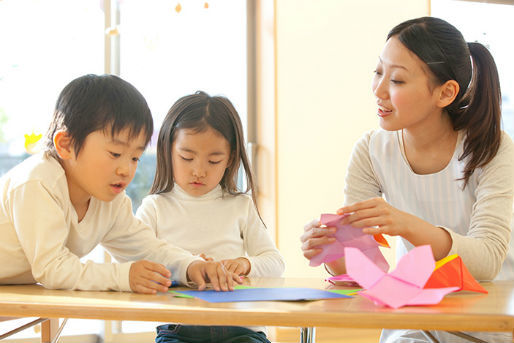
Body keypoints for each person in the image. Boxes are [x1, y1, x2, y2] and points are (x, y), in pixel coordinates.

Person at [300, 16, 514, 343]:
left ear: (446, 93)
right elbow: (366, 272)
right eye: (378, 72)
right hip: (413, 327)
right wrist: (332, 251)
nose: (379, 89)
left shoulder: (492, 148)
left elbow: (487, 260)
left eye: (397, 80)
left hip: (487, 324)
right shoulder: (371, 150)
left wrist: (406, 224)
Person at [0, 74, 241, 293]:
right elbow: (53, 269)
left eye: (135, 157)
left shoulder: (108, 199)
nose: (126, 169)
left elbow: (148, 247)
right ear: (66, 145)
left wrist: (191, 265)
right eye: (115, 153)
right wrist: (124, 276)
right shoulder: (37, 183)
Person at [136, 91, 285, 343]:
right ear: (167, 149)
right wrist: (186, 267)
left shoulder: (240, 205)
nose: (199, 170)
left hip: (242, 330)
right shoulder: (154, 208)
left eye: (214, 160)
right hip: (179, 330)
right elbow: (137, 267)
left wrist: (245, 264)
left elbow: (275, 263)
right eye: (186, 157)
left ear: (230, 158)